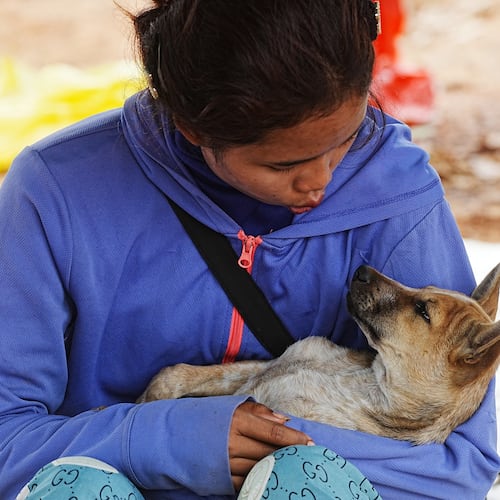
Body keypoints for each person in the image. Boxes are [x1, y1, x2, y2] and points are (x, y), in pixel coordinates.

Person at [0, 0, 498, 498]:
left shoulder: (395, 196)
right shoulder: (56, 191)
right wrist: (171, 440)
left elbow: (460, 462)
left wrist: (289, 446)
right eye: (283, 165)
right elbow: (7, 438)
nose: (322, 182)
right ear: (192, 126)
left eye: (345, 140)